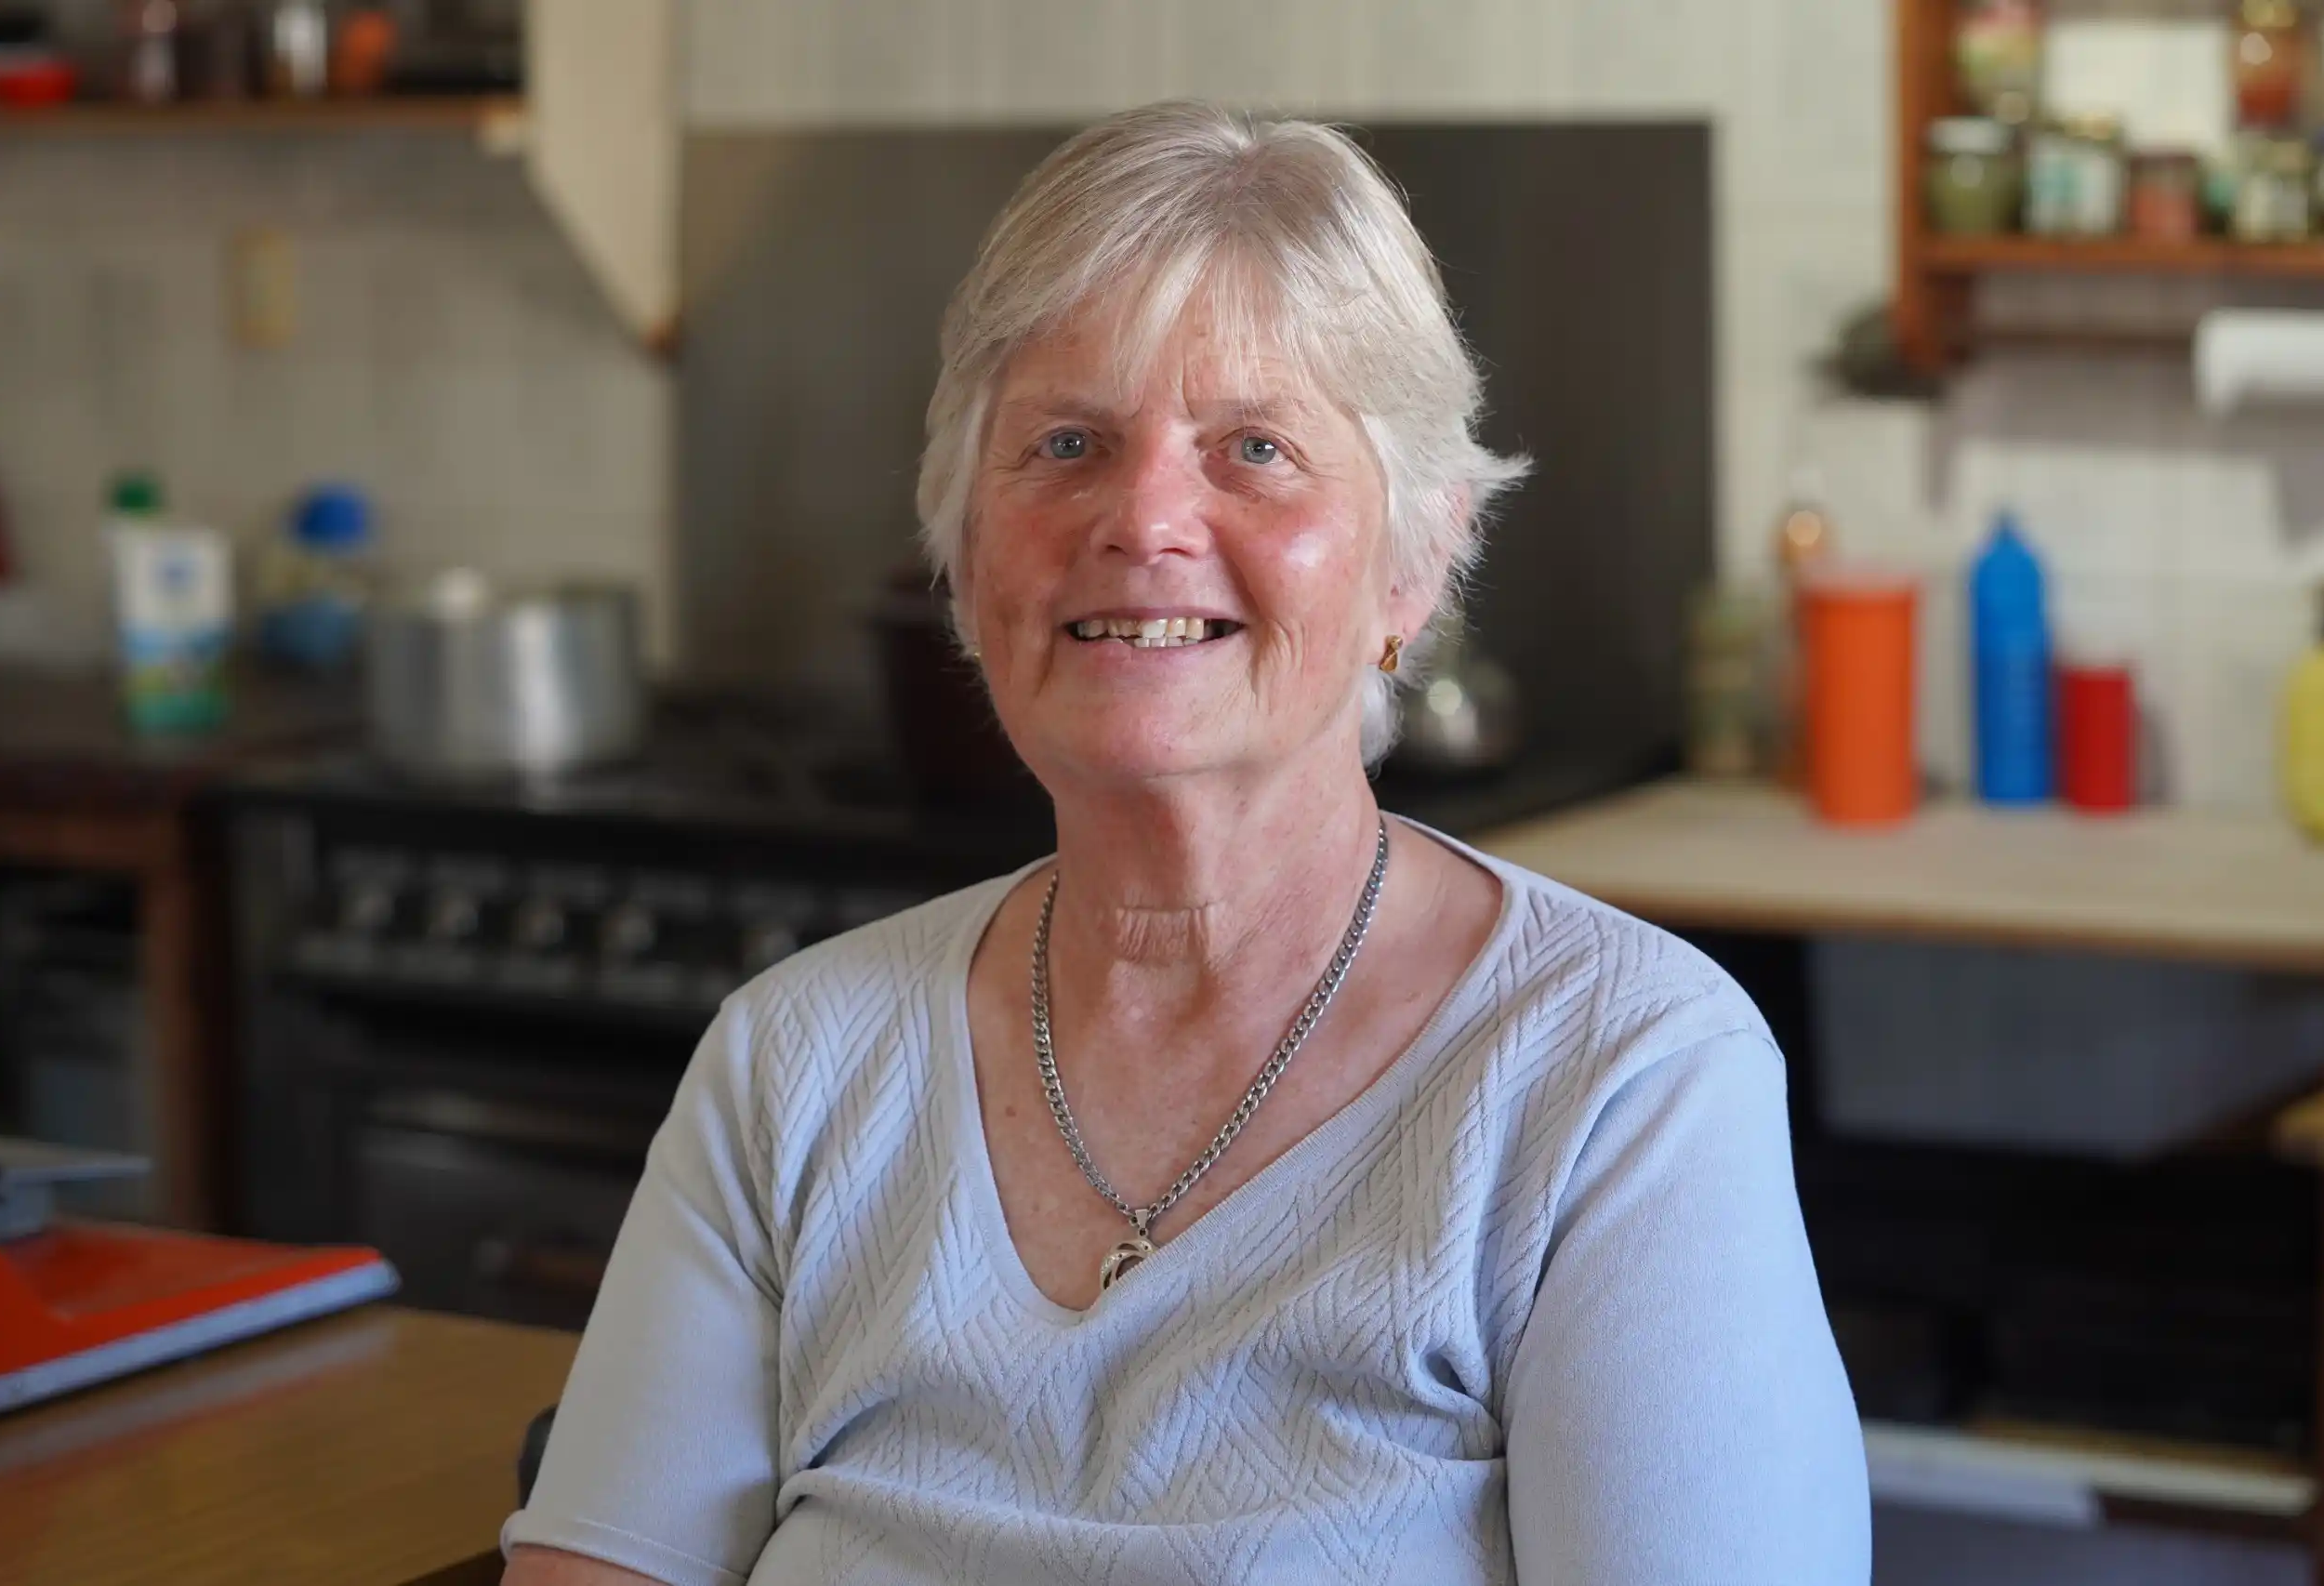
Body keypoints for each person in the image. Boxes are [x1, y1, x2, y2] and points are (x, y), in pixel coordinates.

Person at [502, 100, 1868, 1586]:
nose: (1145, 518)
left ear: (1414, 561)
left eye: (1256, 448)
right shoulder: (792, 1063)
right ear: (966, 554)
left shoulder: (1621, 1073)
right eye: (1067, 441)